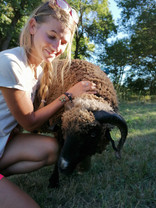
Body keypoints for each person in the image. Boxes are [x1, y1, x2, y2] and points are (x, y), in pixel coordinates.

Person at [0, 0, 97, 207]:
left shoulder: (39, 68)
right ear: (33, 27)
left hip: (3, 142)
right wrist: (68, 96)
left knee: (53, 149)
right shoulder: (10, 63)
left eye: (63, 42)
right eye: (52, 36)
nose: (56, 48)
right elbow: (30, 122)